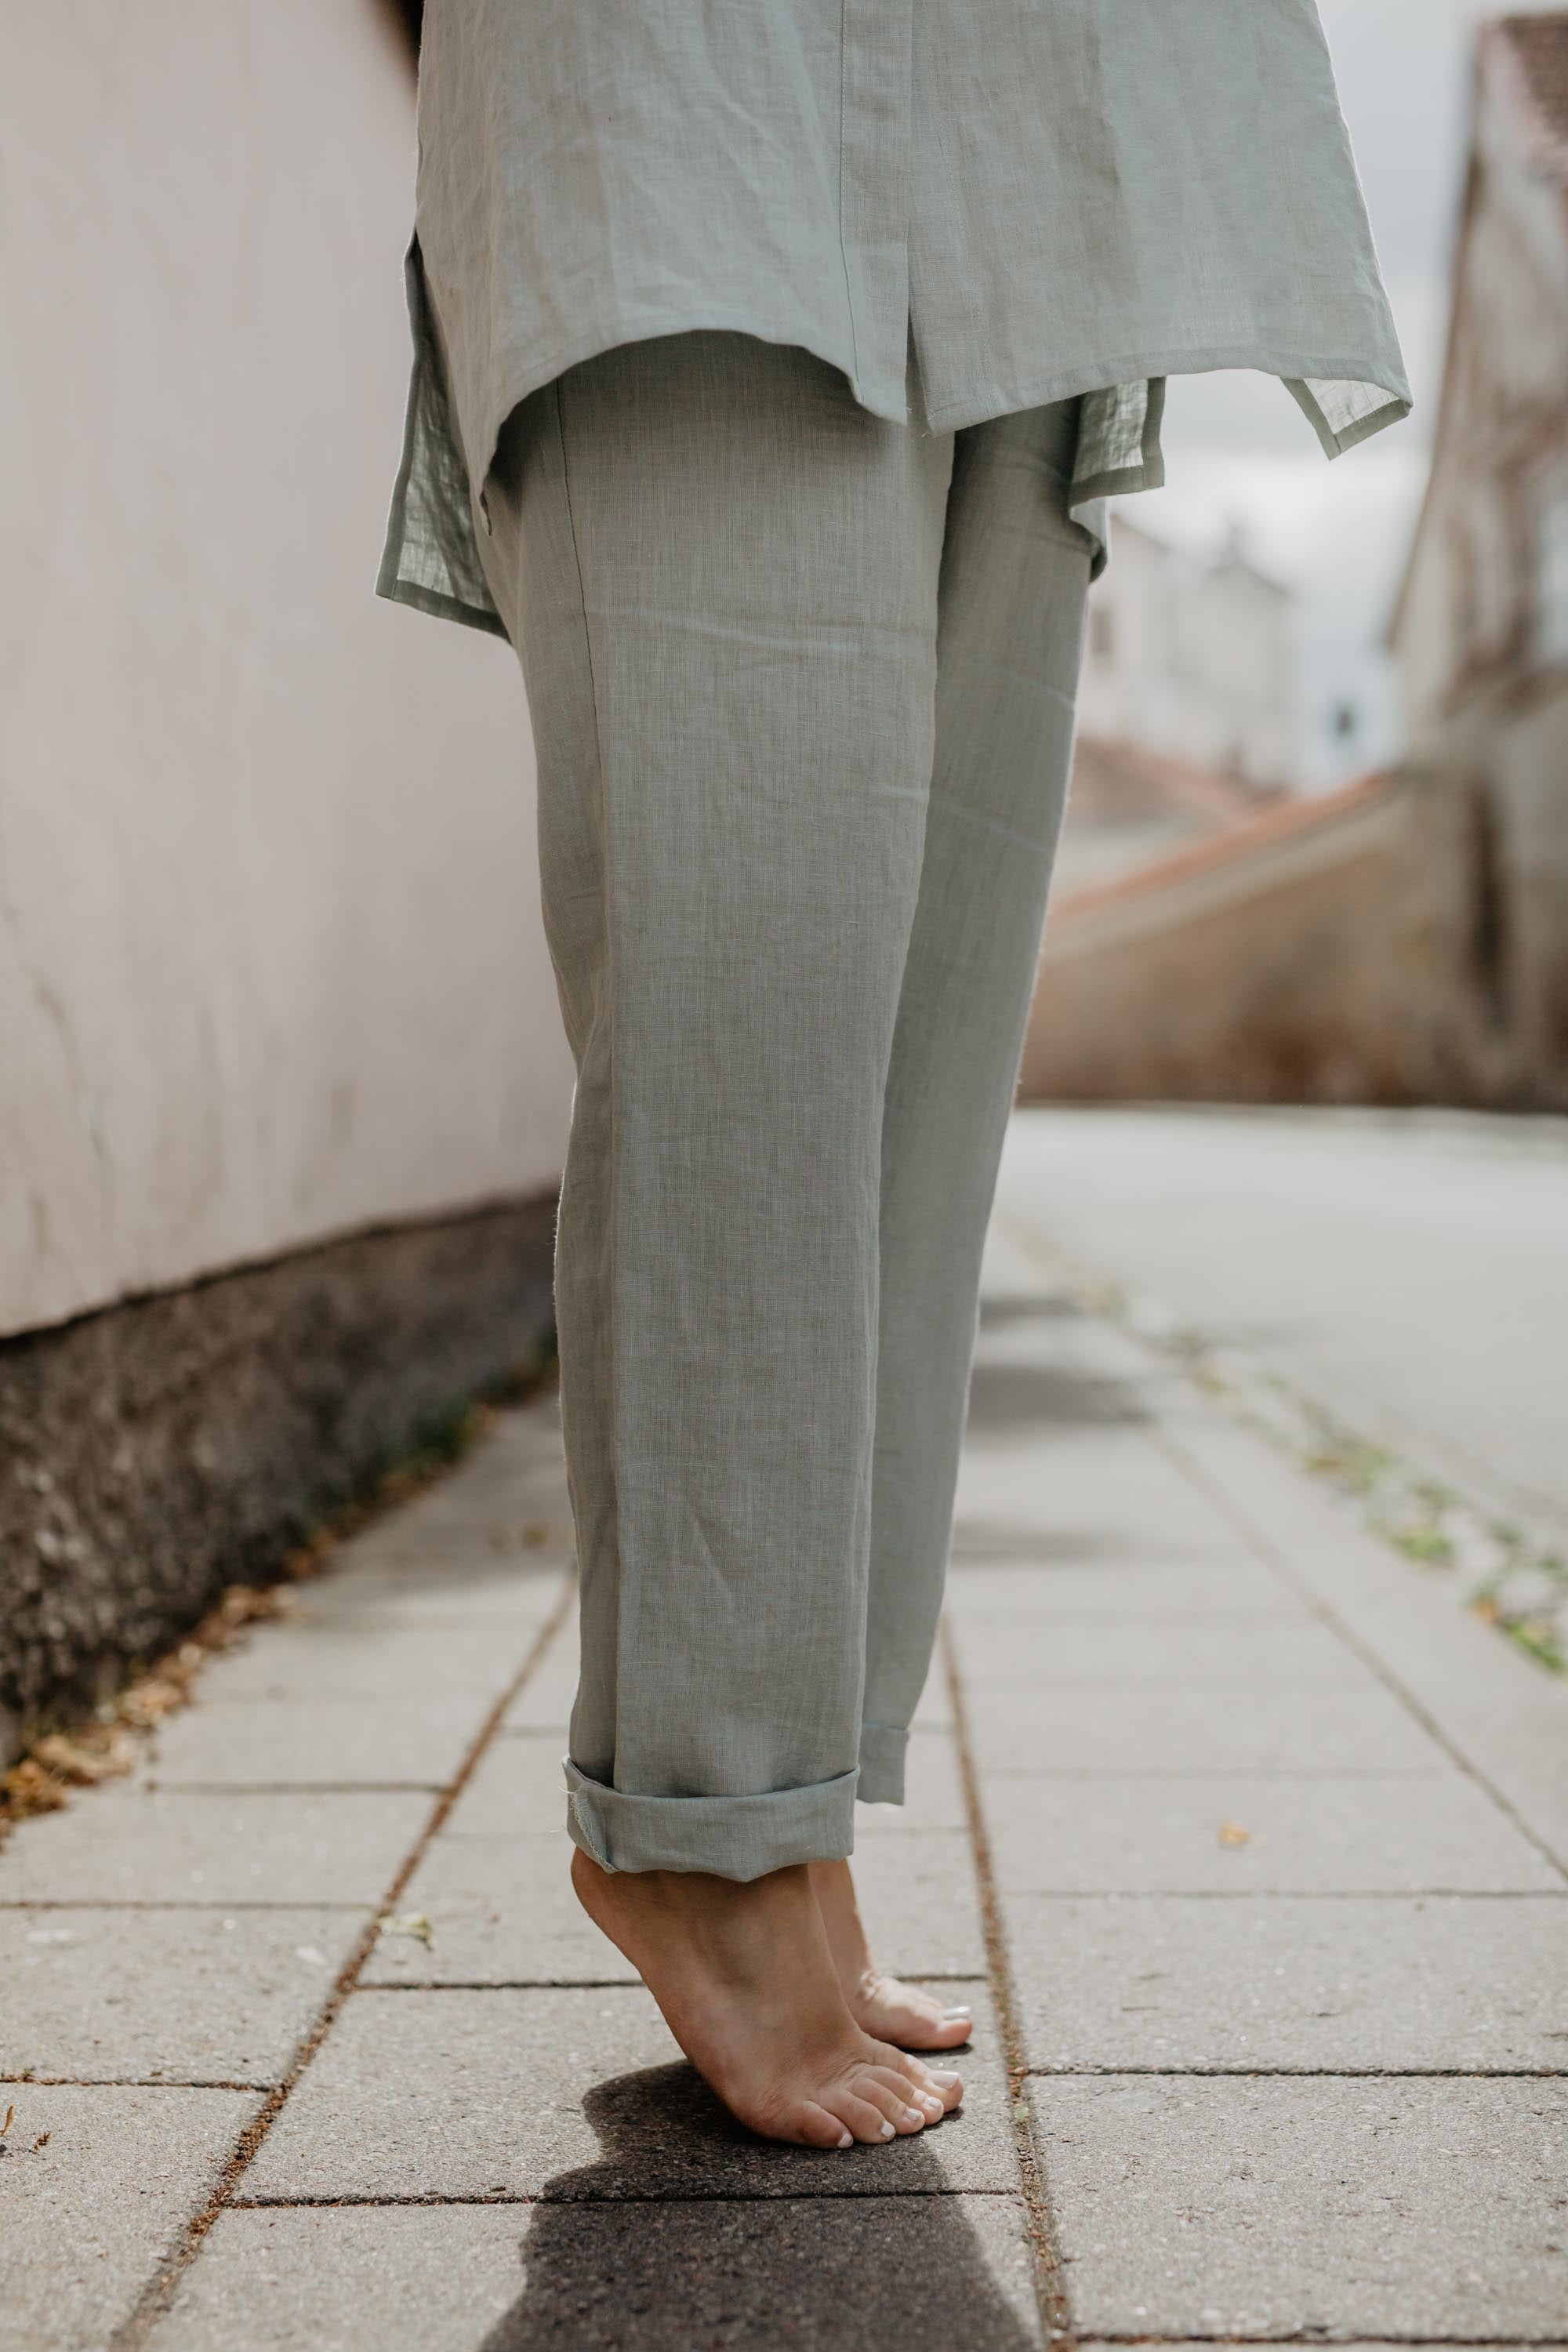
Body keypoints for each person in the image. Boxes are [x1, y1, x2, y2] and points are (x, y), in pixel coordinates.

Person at [379, 2, 1408, 2151]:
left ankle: (792, 1802)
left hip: (1034, 130)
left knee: (921, 1036)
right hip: (690, 91)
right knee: (743, 970)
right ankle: (699, 1825)